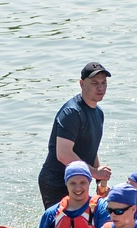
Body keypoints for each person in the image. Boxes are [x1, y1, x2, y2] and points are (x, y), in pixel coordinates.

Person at [37, 62, 113, 209]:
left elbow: (91, 148)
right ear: (82, 84)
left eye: (104, 83)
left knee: (82, 224)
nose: (100, 88)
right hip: (57, 181)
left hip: (78, 181)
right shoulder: (72, 113)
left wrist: (99, 180)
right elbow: (64, 154)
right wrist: (95, 172)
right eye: (95, 83)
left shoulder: (99, 113)